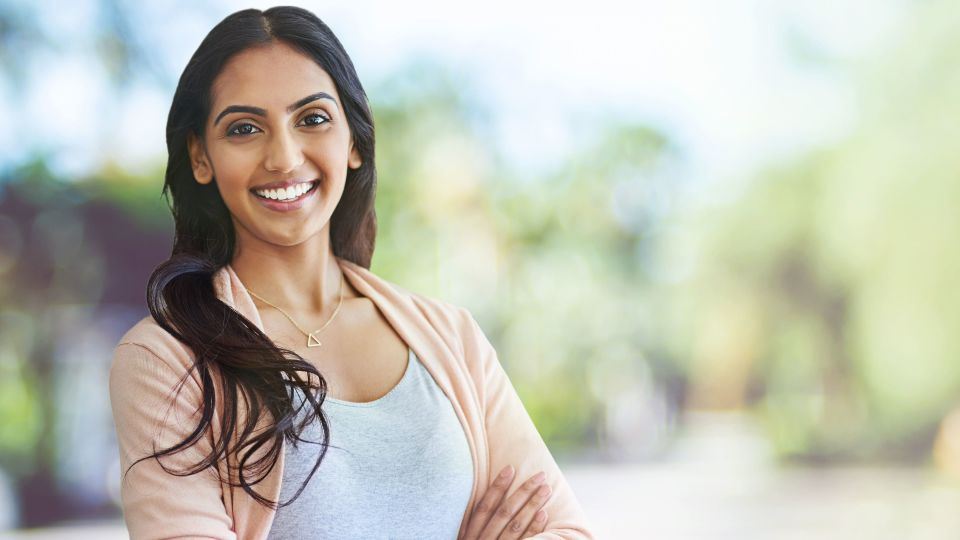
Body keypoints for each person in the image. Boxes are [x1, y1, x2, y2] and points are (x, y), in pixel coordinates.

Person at [108, 6, 593, 539]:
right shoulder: (164, 362)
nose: (284, 157)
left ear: (355, 142)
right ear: (201, 157)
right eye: (245, 128)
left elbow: (564, 528)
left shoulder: (453, 338)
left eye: (312, 119)